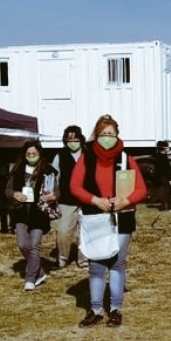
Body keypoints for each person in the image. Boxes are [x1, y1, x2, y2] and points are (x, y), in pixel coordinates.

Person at [70, 115, 148, 328]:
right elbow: (75, 186)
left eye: (110, 134)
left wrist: (125, 200)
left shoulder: (126, 159)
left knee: (117, 263)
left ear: (117, 135)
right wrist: (95, 200)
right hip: (95, 218)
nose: (106, 138)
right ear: (96, 136)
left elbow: (141, 189)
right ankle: (95, 309)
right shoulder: (86, 158)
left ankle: (115, 308)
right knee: (95, 264)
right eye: (103, 134)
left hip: (121, 218)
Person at [6, 139, 58, 291]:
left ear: (39, 154)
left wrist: (52, 196)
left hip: (39, 212)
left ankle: (30, 278)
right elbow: (7, 190)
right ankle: (40, 272)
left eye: (34, 153)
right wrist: (15, 194)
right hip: (20, 212)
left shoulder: (48, 170)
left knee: (34, 246)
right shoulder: (17, 170)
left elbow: (57, 191)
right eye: (28, 154)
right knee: (23, 244)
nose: (31, 156)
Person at [51, 125, 87, 270]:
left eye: (75, 139)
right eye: (69, 139)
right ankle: (62, 259)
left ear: (81, 139)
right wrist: (53, 194)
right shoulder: (59, 156)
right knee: (64, 231)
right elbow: (54, 177)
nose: (72, 142)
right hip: (67, 200)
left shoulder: (89, 154)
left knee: (85, 232)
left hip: (87, 200)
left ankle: (84, 260)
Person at [152, 140, 171, 211]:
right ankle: (165, 206)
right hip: (164, 177)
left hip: (161, 177)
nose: (169, 148)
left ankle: (166, 206)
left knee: (165, 191)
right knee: (166, 192)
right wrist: (170, 179)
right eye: (167, 147)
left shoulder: (158, 156)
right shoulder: (163, 157)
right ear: (164, 149)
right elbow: (167, 170)